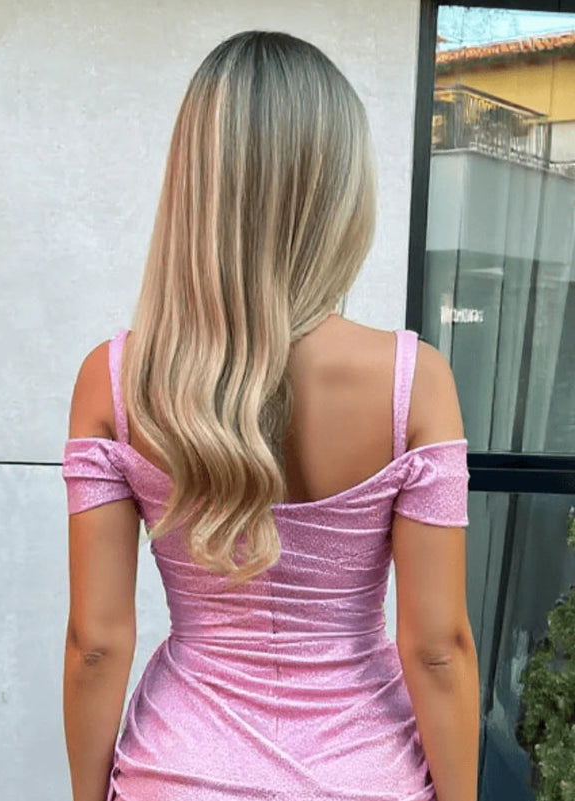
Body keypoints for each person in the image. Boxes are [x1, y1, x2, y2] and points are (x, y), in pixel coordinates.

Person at [61, 29, 480, 801]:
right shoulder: (415, 383)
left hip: (176, 773)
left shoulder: (115, 381)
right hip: (365, 774)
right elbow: (438, 648)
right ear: (340, 191)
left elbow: (96, 642)